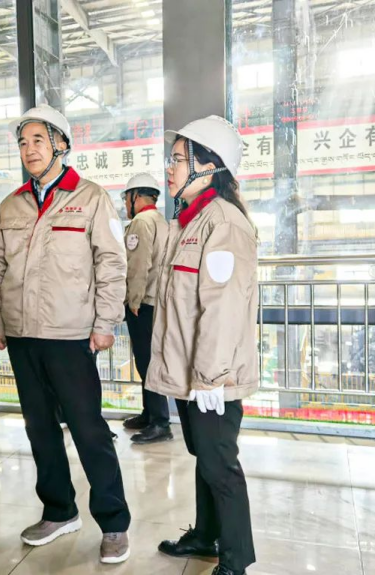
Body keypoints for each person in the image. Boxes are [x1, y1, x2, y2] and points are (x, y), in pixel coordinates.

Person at [0, 104, 131, 565]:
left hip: (70, 335)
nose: (29, 149)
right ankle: (59, 510)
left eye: (38, 140)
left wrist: (105, 323)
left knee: (88, 429)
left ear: (61, 145)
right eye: (23, 142)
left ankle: (114, 522)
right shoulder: (11, 205)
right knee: (39, 427)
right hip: (22, 334)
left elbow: (112, 263)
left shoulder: (91, 198)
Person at [146, 116, 258, 575]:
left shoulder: (224, 223)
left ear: (208, 167)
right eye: (171, 159)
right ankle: (206, 535)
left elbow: (223, 307)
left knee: (219, 464)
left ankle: (235, 560)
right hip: (193, 373)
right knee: (205, 458)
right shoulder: (189, 222)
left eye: (177, 160)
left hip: (213, 376)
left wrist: (211, 378)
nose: (169, 168)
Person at [120, 173, 172, 444]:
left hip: (144, 303)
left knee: (147, 362)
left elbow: (138, 265)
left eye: (126, 198)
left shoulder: (140, 222)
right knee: (150, 359)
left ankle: (160, 422)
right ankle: (150, 414)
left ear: (136, 197)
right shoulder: (161, 221)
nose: (125, 204)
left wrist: (134, 300)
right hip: (158, 302)